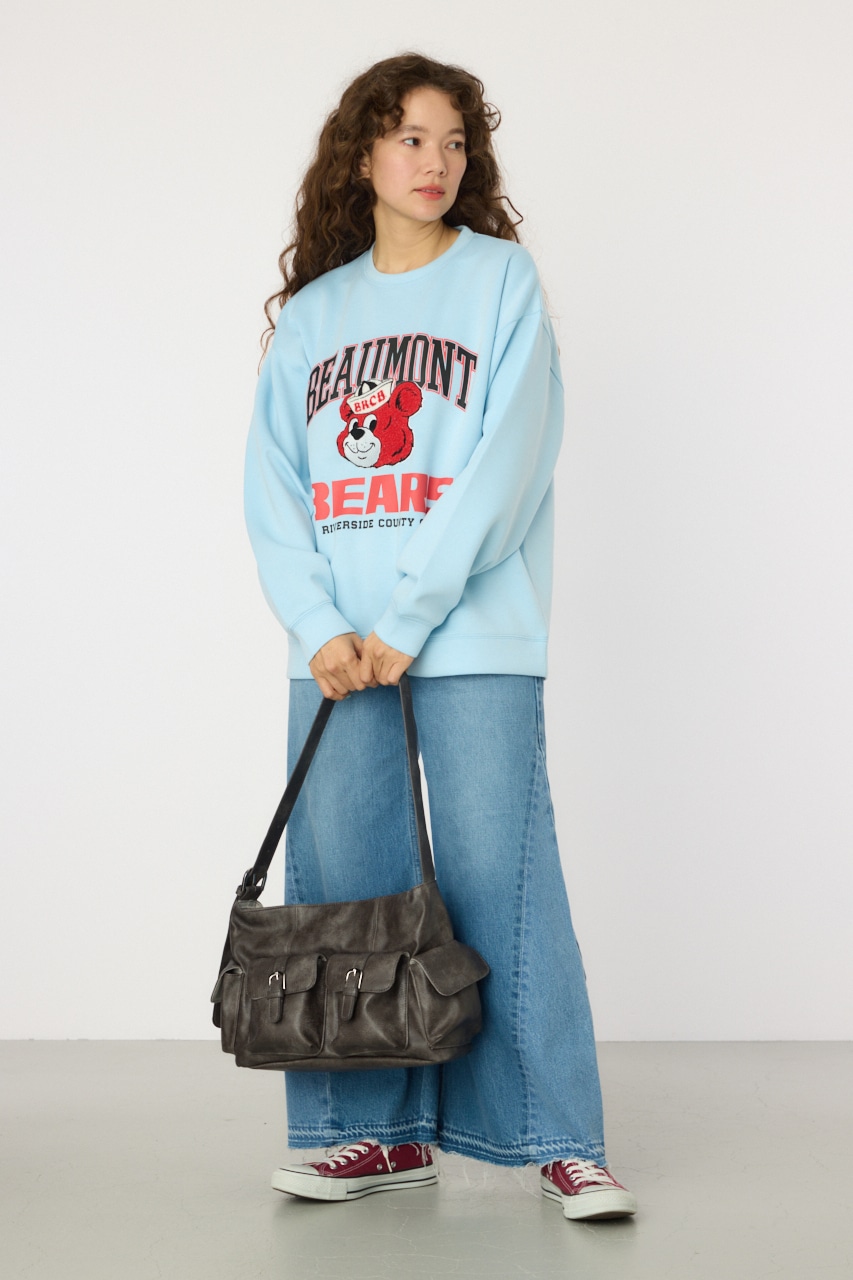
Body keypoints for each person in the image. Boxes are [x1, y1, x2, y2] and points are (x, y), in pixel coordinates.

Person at [243, 52, 637, 1223]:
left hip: (471, 635)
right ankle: (370, 1133)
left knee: (499, 882)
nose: (437, 160)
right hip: (336, 656)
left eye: (455, 141)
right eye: (412, 137)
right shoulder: (314, 315)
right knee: (345, 890)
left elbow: (509, 461)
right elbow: (272, 484)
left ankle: (557, 1136)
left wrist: (409, 614)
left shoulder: (499, 281)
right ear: (362, 153)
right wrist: (320, 625)